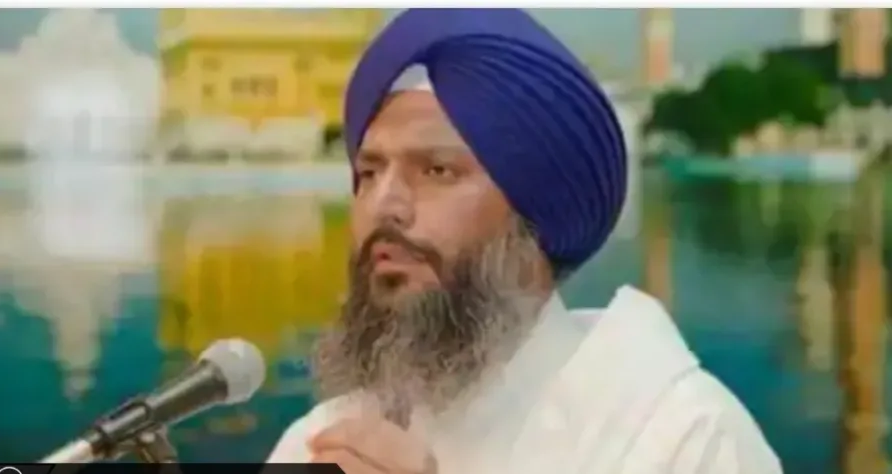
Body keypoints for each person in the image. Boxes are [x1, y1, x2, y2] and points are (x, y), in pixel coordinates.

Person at [266, 8, 782, 474]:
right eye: (369, 173)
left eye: (437, 170)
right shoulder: (322, 441)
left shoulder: (681, 439)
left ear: (534, 211)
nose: (384, 205)